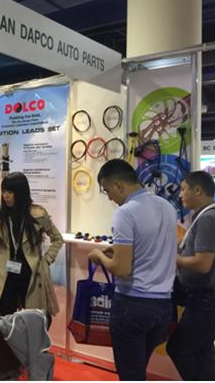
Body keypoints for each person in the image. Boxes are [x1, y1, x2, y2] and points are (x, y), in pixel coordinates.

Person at [88, 159, 177, 381]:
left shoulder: (126, 213)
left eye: (107, 191)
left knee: (130, 374)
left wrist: (99, 256)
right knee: (138, 370)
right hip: (163, 306)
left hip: (133, 304)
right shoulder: (167, 207)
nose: (109, 197)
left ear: (118, 185)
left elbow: (122, 269)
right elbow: (153, 248)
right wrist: (119, 250)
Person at [0, 172, 63, 324]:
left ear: (21, 193)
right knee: (6, 322)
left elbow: (57, 239)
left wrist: (46, 261)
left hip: (30, 276)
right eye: (4, 191)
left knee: (32, 322)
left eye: (10, 192)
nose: (6, 196)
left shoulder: (38, 214)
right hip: (4, 276)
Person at [166, 171, 215, 381]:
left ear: (198, 190)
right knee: (203, 353)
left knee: (179, 348)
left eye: (183, 189)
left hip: (205, 301)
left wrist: (174, 259)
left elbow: (202, 263)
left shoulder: (209, 218)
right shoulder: (202, 217)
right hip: (202, 299)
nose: (180, 195)